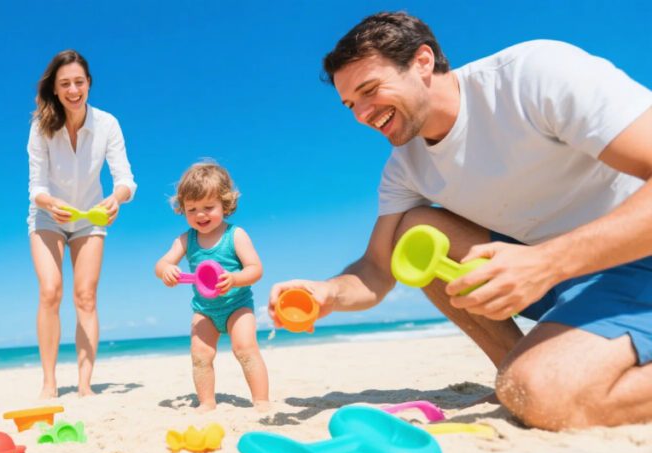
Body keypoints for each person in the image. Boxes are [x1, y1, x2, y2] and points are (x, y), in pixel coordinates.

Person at [269, 11, 652, 430]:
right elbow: (377, 270)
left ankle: (533, 382)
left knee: (543, 394)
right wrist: (327, 293)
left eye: (370, 90)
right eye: (350, 104)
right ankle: (515, 371)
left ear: (422, 62)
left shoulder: (532, 76)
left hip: (636, 254)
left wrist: (546, 263)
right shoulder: (406, 168)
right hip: (559, 274)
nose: (361, 114)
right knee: (415, 233)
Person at [27, 49, 137, 398]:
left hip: (91, 217)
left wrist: (116, 199)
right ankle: (49, 381)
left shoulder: (107, 124)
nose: (73, 90)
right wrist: (50, 203)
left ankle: (85, 385)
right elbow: (37, 188)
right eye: (65, 84)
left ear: (88, 83)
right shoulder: (41, 127)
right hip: (48, 215)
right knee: (50, 291)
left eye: (79, 82)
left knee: (86, 297)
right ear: (55, 90)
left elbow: (126, 179)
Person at [155, 161, 269, 411]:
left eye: (208, 207)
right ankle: (207, 403)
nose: (200, 215)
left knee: (246, 350)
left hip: (237, 305)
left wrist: (235, 279)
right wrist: (167, 270)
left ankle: (261, 401)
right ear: (183, 209)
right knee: (200, 356)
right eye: (192, 209)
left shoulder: (235, 235)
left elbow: (255, 269)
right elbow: (161, 263)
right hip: (204, 310)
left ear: (224, 204)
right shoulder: (186, 239)